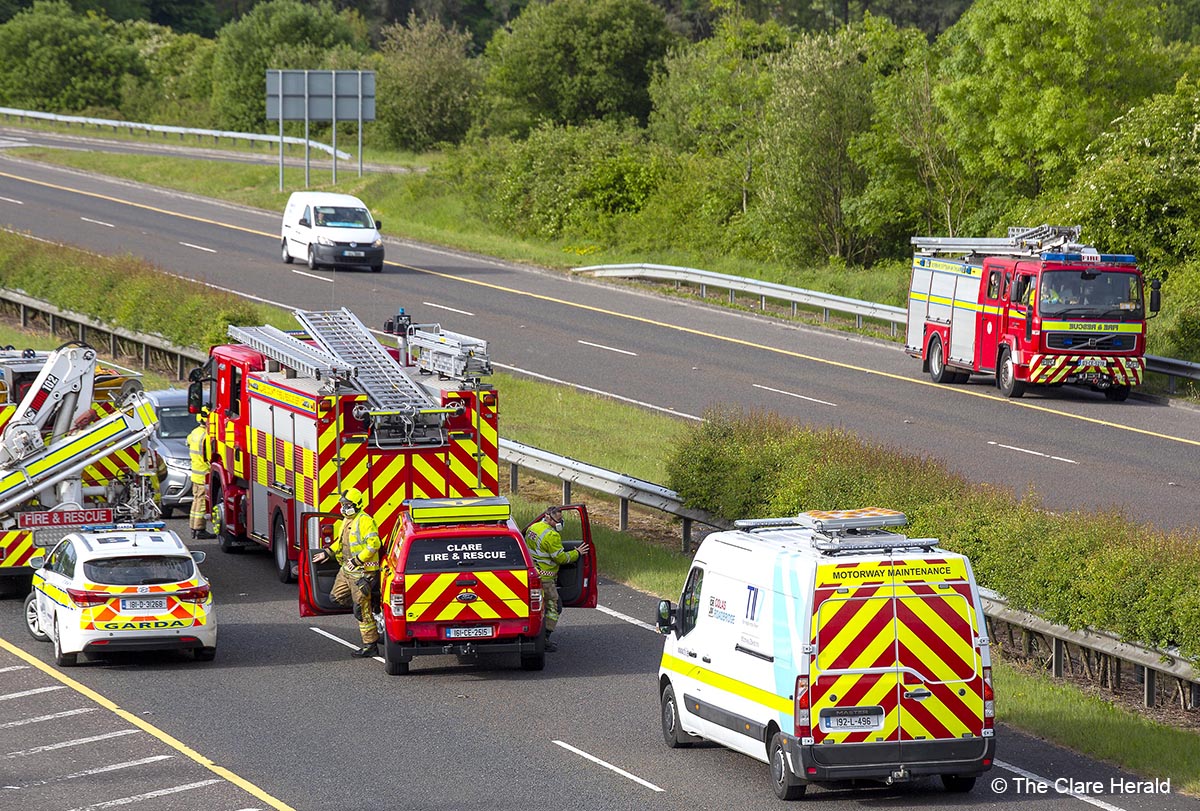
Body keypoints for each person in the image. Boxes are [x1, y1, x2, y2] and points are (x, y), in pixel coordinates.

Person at [313, 487, 382, 658]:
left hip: (362, 573)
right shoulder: (346, 520)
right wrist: (327, 552)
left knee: (361, 611)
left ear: (357, 504)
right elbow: (341, 542)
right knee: (335, 597)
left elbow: (374, 545)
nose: (344, 508)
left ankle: (370, 645)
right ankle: (370, 602)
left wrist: (357, 560)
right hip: (346, 570)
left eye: (348, 505)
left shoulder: (365, 521)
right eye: (343, 504)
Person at [524, 506, 591, 652]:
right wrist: (577, 553)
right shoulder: (552, 535)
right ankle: (544, 639)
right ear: (548, 517)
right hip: (546, 578)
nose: (560, 522)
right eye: (558, 520)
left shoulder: (533, 528)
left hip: (533, 574)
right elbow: (561, 558)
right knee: (554, 608)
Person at [186, 411, 211, 540]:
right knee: (202, 504)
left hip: (196, 474)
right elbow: (209, 457)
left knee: (196, 502)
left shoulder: (194, 433)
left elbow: (188, 443)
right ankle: (200, 529)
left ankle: (193, 528)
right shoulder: (206, 436)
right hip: (203, 475)